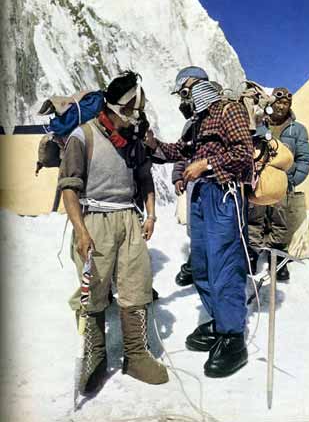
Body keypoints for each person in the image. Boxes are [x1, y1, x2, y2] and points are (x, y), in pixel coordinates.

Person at [58, 71, 168, 394]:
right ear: (116, 108)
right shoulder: (83, 137)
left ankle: (135, 355)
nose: (137, 116)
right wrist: (80, 230)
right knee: (94, 288)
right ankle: (95, 354)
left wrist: (151, 215)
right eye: (132, 109)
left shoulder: (132, 141)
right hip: (95, 219)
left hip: (129, 220)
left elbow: (145, 177)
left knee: (137, 283)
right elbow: (68, 188)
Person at [145, 67, 254, 378]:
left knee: (224, 265)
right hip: (201, 196)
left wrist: (206, 163)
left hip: (224, 194)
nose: (183, 99)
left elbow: (244, 153)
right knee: (203, 265)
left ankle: (233, 337)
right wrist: (154, 146)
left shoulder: (227, 109)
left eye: (184, 92)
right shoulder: (196, 123)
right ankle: (220, 321)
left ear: (194, 86)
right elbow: (180, 151)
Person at [248, 87, 309, 280]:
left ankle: (277, 257)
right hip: (258, 182)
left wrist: (291, 181)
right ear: (271, 103)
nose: (281, 106)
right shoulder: (258, 124)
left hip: (282, 185)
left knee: (280, 220)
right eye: (278, 102)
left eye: (285, 103)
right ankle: (252, 252)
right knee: (254, 217)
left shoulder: (297, 129)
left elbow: (304, 159)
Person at [172, 80, 224, 288]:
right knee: (196, 230)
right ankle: (196, 264)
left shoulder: (221, 118)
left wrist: (208, 166)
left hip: (218, 186)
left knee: (218, 232)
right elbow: (183, 152)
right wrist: (178, 175)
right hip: (195, 185)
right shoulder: (191, 125)